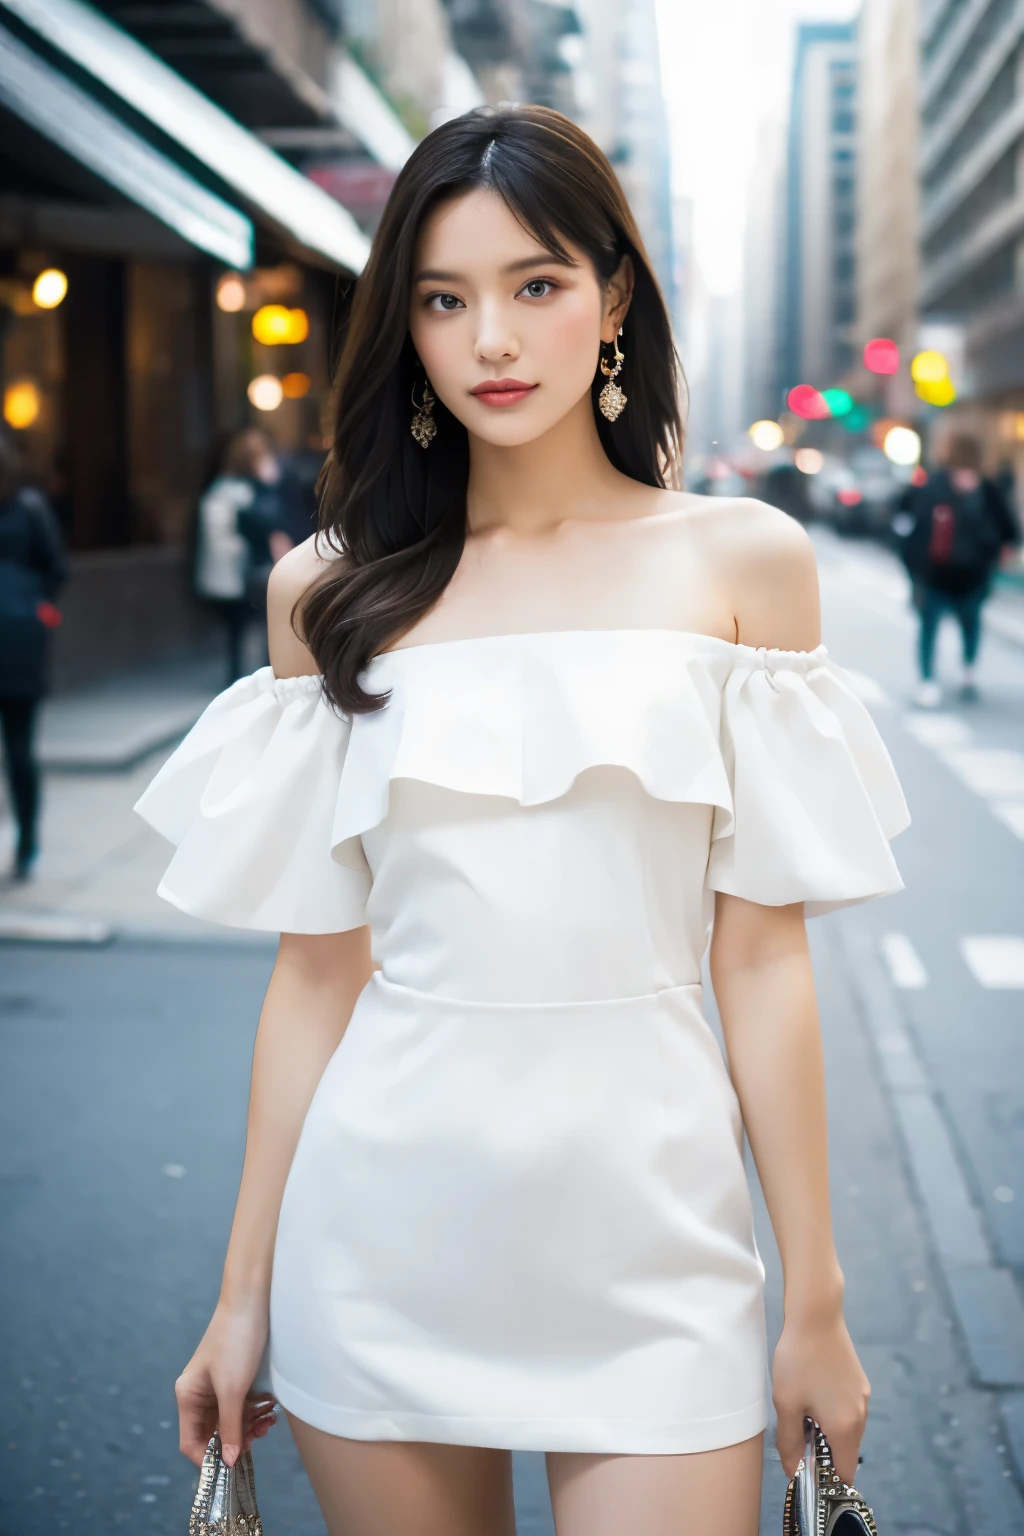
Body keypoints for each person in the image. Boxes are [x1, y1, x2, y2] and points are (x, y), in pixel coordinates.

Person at [137, 107, 909, 1536]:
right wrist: (239, 1294)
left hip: (657, 1252)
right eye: (444, 298)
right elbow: (317, 973)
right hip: (379, 1244)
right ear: (407, 330)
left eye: (534, 285)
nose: (490, 336)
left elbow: (762, 963)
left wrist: (819, 1301)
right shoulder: (328, 595)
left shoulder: (743, 564)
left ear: (612, 296)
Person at [894, 432, 1019, 707]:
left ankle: (967, 671)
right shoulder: (934, 490)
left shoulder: (985, 492)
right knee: (931, 626)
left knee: (970, 623)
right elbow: (911, 526)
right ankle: (928, 680)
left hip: (972, 575)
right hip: (937, 575)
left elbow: (1007, 528)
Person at [0, 430, 68, 880]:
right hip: (23, 634)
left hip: (18, 636)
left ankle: (26, 841)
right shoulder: (29, 507)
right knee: (21, 746)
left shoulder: (29, 508)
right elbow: (56, 568)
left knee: (21, 748)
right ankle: (26, 842)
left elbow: (55, 569)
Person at [195, 429, 294, 683]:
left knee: (249, 635)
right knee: (247, 634)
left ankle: (244, 681)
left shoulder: (244, 491)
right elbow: (266, 527)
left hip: (247, 575)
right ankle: (243, 684)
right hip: (240, 576)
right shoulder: (237, 494)